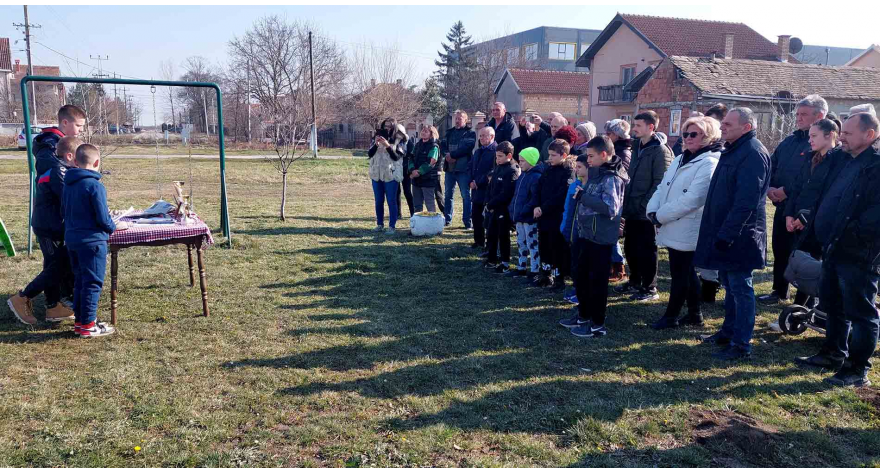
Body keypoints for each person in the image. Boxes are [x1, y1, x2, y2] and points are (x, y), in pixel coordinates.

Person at [794, 113, 880, 387]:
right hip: (833, 246)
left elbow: (875, 214)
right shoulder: (845, 160)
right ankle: (833, 353)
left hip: (859, 252)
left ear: (870, 135)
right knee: (833, 305)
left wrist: (853, 234)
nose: (841, 136)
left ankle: (857, 369)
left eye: (849, 133)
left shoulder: (876, 166)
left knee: (861, 312)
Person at [694, 108, 770, 361]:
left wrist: (727, 234)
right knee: (730, 286)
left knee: (740, 288)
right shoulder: (733, 149)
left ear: (746, 127)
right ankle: (727, 333)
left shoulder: (752, 153)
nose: (722, 126)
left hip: (740, 236)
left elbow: (746, 202)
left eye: (727, 123)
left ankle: (741, 344)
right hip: (725, 232)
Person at [7, 105, 86, 325]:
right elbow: (60, 182)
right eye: (78, 126)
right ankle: (24, 298)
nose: (79, 131)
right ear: (65, 123)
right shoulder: (49, 149)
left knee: (60, 262)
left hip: (56, 217)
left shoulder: (55, 147)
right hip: (49, 220)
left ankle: (55, 306)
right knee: (56, 264)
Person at [646, 116, 722, 329]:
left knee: (680, 273)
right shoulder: (682, 158)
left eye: (693, 134)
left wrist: (660, 216)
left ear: (708, 136)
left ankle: (671, 316)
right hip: (671, 221)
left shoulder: (709, 161)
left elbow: (694, 199)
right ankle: (694, 314)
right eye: (685, 134)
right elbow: (663, 186)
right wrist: (652, 209)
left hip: (688, 225)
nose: (687, 138)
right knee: (684, 272)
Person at [558, 136, 629, 338]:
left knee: (596, 282)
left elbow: (611, 208)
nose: (587, 160)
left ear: (604, 155)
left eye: (591, 156)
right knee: (581, 277)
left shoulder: (612, 178)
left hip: (600, 238)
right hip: (586, 235)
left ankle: (597, 324)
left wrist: (583, 196)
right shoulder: (597, 174)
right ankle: (583, 315)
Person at [759, 95, 826, 305]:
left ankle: (803, 301)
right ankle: (779, 290)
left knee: (805, 255)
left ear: (820, 115)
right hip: (782, 207)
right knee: (780, 250)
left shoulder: (821, 144)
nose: (798, 118)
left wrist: (787, 191)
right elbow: (772, 163)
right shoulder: (790, 140)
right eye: (797, 114)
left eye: (803, 114)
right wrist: (770, 187)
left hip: (805, 211)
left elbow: (810, 177)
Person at [64, 144, 124, 337]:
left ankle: (81, 322)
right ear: (97, 162)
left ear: (75, 161)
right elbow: (102, 218)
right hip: (92, 242)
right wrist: (114, 227)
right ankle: (88, 325)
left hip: (72, 239)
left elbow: (62, 212)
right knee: (92, 283)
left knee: (80, 282)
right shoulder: (95, 185)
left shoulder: (68, 184)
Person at [618, 111, 673, 301]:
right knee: (631, 247)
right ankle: (635, 281)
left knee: (647, 249)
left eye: (638, 126)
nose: (634, 129)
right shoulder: (637, 146)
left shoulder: (661, 151)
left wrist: (646, 205)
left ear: (651, 127)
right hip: (632, 206)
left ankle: (650, 288)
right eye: (634, 125)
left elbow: (661, 181)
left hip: (647, 210)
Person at [533, 139, 573, 289]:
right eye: (549, 155)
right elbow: (538, 187)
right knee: (544, 246)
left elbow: (561, 195)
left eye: (553, 155)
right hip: (543, 216)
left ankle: (559, 277)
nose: (550, 158)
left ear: (563, 155)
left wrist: (544, 207)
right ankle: (545, 274)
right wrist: (537, 205)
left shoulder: (568, 172)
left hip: (556, 216)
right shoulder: (548, 169)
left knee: (557, 247)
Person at [560, 151, 591, 304]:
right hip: (571, 229)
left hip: (583, 232)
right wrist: (564, 226)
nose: (576, 170)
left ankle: (581, 291)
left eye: (579, 167)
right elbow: (568, 208)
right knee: (574, 262)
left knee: (581, 263)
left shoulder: (591, 187)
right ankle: (576, 288)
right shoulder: (574, 185)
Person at [507, 147, 543, 279]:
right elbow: (517, 195)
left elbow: (534, 198)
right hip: (519, 217)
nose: (519, 163)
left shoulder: (536, 177)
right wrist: (513, 209)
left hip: (528, 218)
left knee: (532, 244)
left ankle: (534, 270)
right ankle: (521, 267)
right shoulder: (522, 175)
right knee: (521, 242)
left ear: (531, 161)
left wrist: (524, 210)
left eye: (522, 161)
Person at [368, 119, 407, 234]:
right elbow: (369, 154)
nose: (387, 128)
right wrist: (376, 144)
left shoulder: (400, 139)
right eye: (385, 126)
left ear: (394, 126)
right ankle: (380, 224)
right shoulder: (375, 137)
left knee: (391, 201)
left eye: (390, 126)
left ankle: (392, 226)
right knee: (378, 201)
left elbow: (396, 157)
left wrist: (387, 146)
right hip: (377, 174)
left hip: (391, 174)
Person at [483, 141, 517, 272]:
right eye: (496, 156)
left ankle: (505, 261)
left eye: (500, 156)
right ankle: (492, 258)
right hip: (493, 208)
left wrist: (493, 203)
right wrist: (487, 202)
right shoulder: (498, 168)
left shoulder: (512, 170)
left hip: (503, 209)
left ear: (509, 156)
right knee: (491, 233)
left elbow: (507, 193)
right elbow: (490, 187)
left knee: (503, 236)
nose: (497, 159)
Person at [604, 119, 632, 282]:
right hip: (614, 196)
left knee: (612, 233)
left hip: (618, 198)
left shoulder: (622, 153)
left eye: (609, 133)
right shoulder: (617, 150)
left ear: (617, 135)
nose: (607, 136)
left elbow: (621, 178)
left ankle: (618, 267)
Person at [442, 110, 477, 228]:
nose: (457, 120)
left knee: (465, 195)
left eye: (460, 118)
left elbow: (467, 148)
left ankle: (467, 222)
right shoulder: (449, 132)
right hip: (449, 169)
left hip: (463, 169)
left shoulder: (470, 133)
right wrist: (447, 154)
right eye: (455, 118)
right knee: (448, 195)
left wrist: (452, 155)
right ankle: (447, 219)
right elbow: (442, 145)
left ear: (465, 120)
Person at [469, 127, 497, 249]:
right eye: (480, 136)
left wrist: (478, 183)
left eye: (484, 135)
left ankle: (490, 244)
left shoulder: (496, 150)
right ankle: (478, 240)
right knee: (475, 216)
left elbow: (493, 171)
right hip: (475, 190)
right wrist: (470, 181)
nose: (481, 138)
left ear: (492, 137)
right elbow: (471, 167)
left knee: (488, 219)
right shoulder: (478, 151)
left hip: (487, 190)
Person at [409, 125, 441, 214]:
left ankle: (432, 225)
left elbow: (431, 162)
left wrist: (419, 172)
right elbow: (411, 158)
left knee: (429, 204)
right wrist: (412, 170)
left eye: (426, 131)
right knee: (417, 205)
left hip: (428, 179)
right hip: (416, 180)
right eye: (422, 130)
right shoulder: (417, 145)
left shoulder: (434, 146)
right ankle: (418, 225)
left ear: (431, 134)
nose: (423, 132)